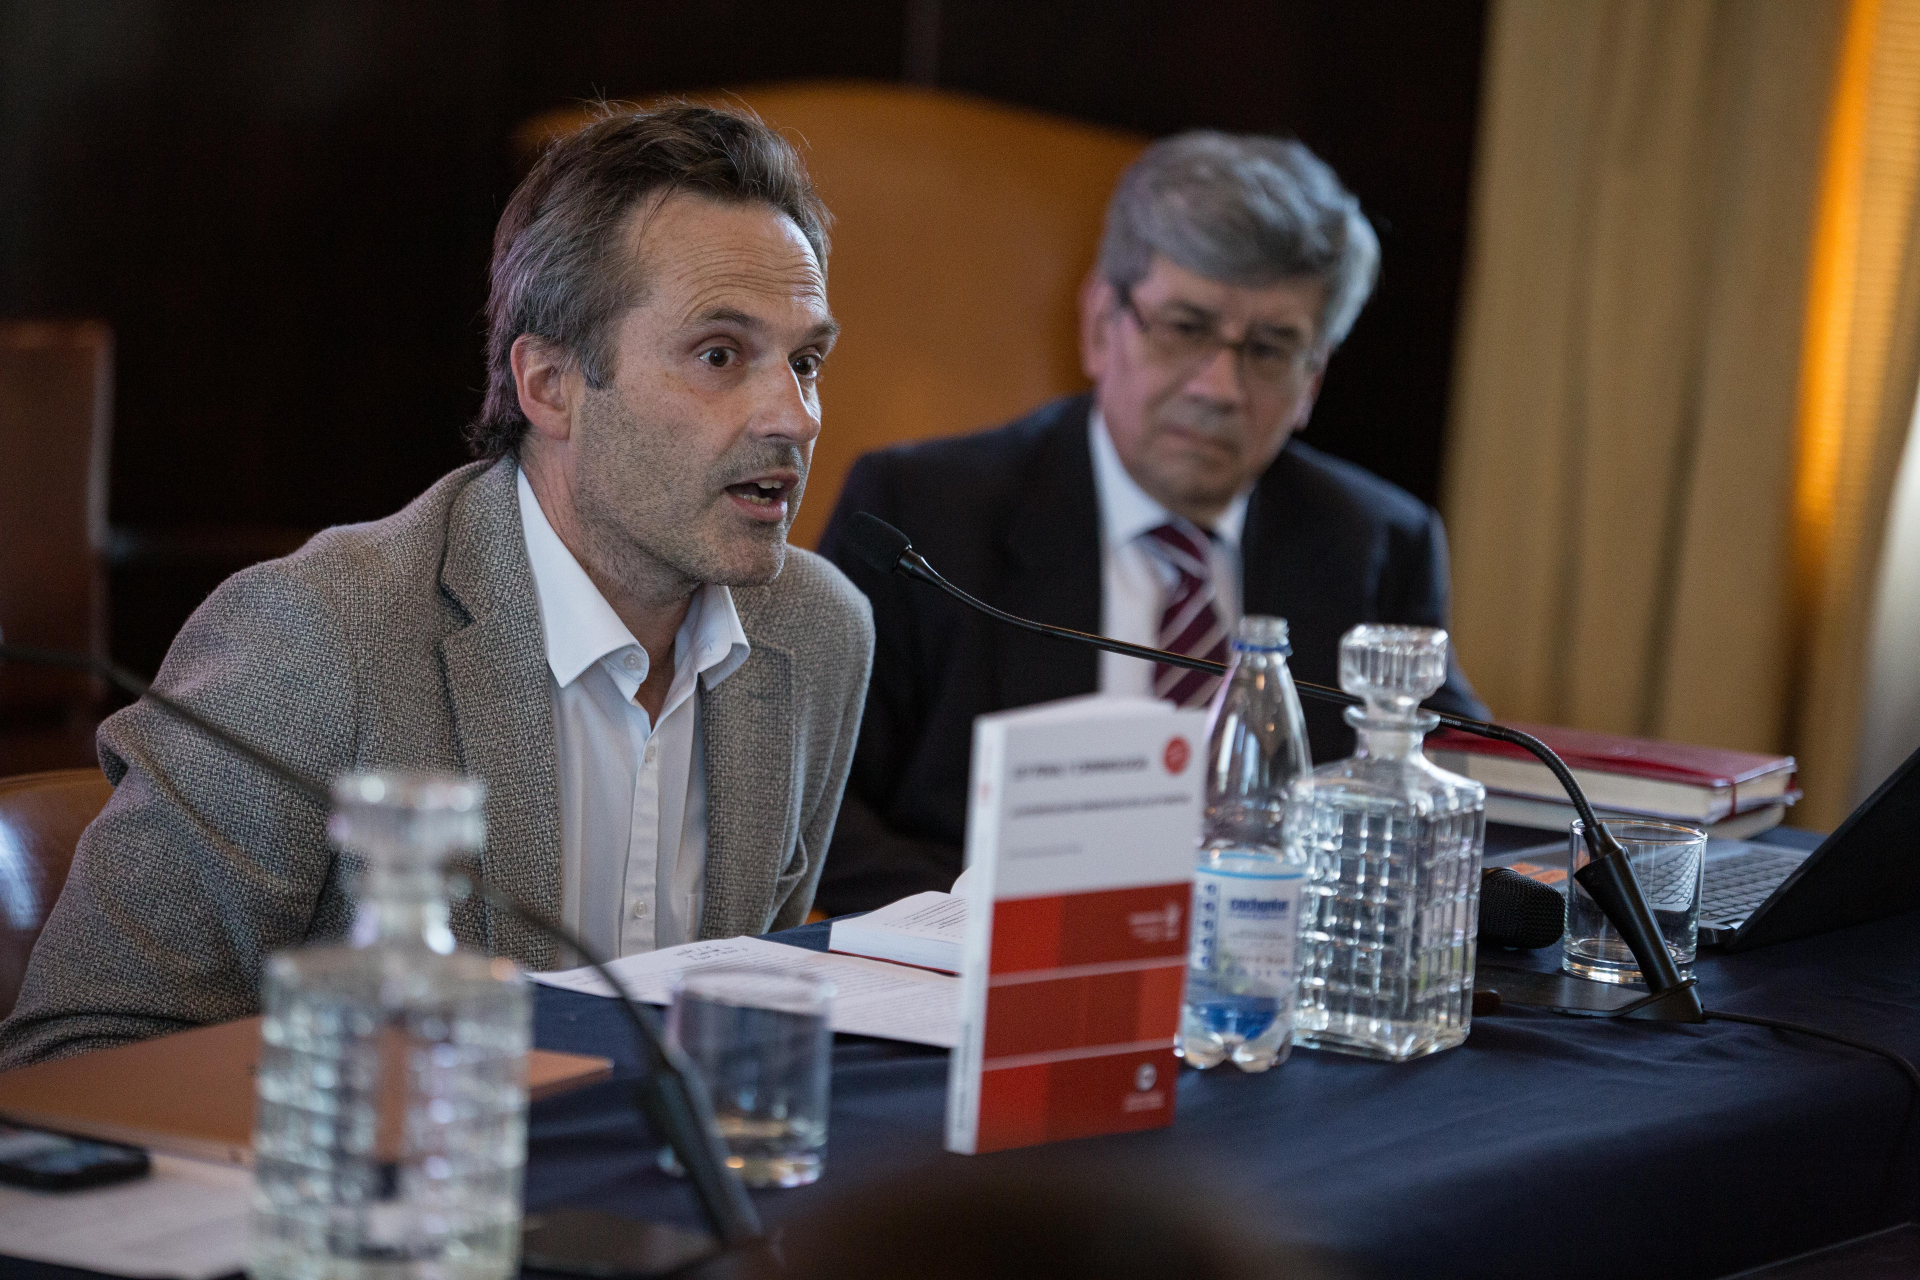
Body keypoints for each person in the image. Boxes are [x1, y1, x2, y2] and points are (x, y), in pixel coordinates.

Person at [0, 106, 874, 1068]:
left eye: (805, 362)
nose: (795, 416)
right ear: (550, 385)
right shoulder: (314, 637)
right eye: (719, 355)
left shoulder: (819, 633)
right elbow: (78, 1056)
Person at [817, 131, 1486, 914]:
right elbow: (818, 809)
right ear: (1102, 324)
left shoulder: (1379, 544)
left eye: (1270, 349)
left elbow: (1469, 794)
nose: (1220, 388)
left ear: (1313, 379)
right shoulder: (920, 514)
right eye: (1187, 328)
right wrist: (1003, 924)